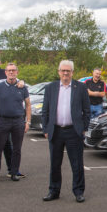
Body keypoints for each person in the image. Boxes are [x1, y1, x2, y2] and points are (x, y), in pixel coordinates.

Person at [42, 60, 90, 203]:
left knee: (77, 164)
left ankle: (79, 191)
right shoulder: (50, 88)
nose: (65, 73)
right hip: (55, 131)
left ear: (72, 73)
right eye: (63, 70)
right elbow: (45, 111)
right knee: (55, 164)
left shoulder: (80, 88)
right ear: (58, 72)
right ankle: (54, 191)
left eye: (68, 71)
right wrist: (45, 129)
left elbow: (87, 111)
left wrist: (84, 128)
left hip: (73, 132)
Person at [0, 63, 31, 182]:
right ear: (5, 73)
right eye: (9, 71)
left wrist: (28, 122)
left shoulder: (22, 87)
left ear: (17, 72)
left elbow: (28, 105)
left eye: (13, 70)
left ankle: (14, 172)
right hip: (3, 120)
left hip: (18, 121)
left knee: (17, 149)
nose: (11, 72)